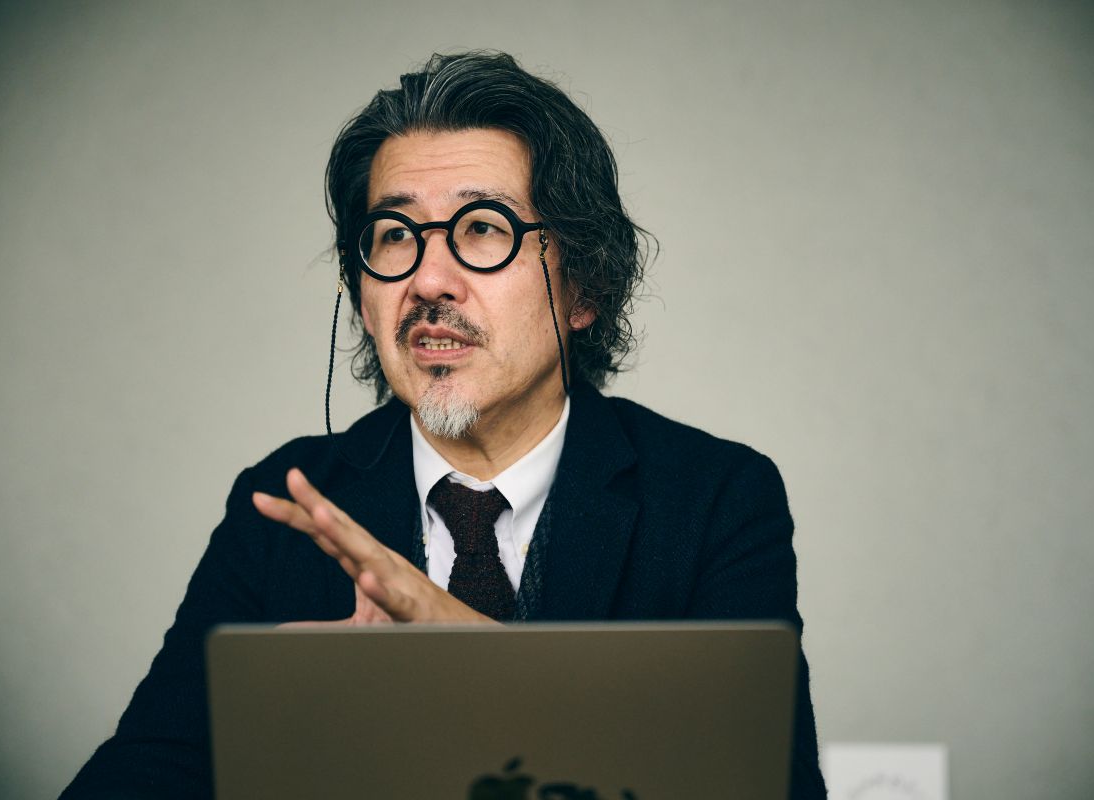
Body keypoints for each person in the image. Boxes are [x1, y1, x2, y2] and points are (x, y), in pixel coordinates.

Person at [60, 51, 828, 799]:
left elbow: (764, 786)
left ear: (585, 287)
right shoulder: (286, 503)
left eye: (484, 227)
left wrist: (461, 649)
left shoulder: (714, 498)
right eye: (395, 234)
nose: (428, 280)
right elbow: (144, 771)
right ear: (361, 295)